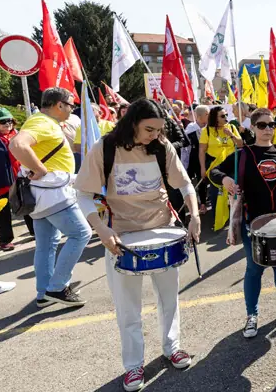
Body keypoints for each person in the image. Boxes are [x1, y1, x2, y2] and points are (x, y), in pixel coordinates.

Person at [74, 99, 200, 391]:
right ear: (132, 123)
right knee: (128, 309)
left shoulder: (161, 146)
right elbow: (83, 194)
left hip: (162, 231)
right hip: (121, 238)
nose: (154, 135)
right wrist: (101, 229)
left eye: (159, 130)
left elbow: (185, 185)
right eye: (149, 130)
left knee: (169, 299)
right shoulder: (105, 148)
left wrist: (194, 216)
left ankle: (172, 347)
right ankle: (133, 366)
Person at [211, 108, 276, 338]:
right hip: (253, 222)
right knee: (254, 268)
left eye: (271, 124)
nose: (268, 129)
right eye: (262, 125)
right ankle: (252, 314)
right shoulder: (243, 154)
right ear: (252, 127)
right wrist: (226, 179)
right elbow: (214, 172)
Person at [10, 87, 92, 308]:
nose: (72, 109)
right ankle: (57, 287)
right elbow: (17, 144)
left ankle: (44, 292)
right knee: (81, 233)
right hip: (52, 194)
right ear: (59, 105)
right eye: (71, 105)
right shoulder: (42, 122)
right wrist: (40, 169)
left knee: (46, 244)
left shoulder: (43, 121)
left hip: (42, 195)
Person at [0, 108, 34, 251]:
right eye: (3, 121)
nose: (8, 124)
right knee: (3, 213)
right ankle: (5, 240)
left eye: (10, 120)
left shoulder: (18, 135)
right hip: (1, 182)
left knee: (27, 204)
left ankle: (34, 231)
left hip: (20, 177)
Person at [199, 106, 243, 224]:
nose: (226, 118)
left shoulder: (231, 127)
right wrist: (203, 168)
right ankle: (218, 218)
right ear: (215, 118)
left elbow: (240, 145)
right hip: (215, 168)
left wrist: (231, 135)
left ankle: (235, 219)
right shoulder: (206, 131)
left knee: (235, 191)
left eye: (226, 115)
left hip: (231, 165)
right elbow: (202, 151)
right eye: (222, 116)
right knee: (216, 193)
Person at [182, 105, 208, 213]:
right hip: (193, 157)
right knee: (189, 180)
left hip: (206, 156)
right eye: (207, 114)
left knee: (203, 181)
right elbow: (185, 142)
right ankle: (191, 201)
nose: (208, 116)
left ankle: (203, 203)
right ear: (199, 116)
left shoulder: (210, 127)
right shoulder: (191, 127)